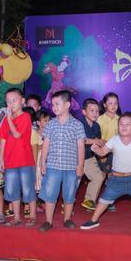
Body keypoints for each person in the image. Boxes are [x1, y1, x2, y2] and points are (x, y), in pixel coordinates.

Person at [81, 112, 131, 231]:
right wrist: (96, 149)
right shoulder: (114, 140)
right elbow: (103, 152)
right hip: (116, 178)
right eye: (121, 124)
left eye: (127, 124)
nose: (124, 126)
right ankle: (93, 220)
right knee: (104, 200)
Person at [39, 90, 85, 232]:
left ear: (67, 105)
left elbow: (80, 147)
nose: (54, 107)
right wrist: (42, 162)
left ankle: (67, 219)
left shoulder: (77, 125)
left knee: (69, 193)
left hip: (71, 167)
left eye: (57, 104)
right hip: (53, 166)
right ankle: (48, 221)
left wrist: (80, 165)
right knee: (50, 193)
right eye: (52, 105)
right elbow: (46, 144)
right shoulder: (51, 124)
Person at [0, 88, 37, 227]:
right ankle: (16, 217)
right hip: (10, 161)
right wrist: (1, 159)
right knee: (11, 189)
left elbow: (17, 134)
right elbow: (3, 139)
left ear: (22, 101)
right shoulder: (6, 120)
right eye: (8, 101)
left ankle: (32, 215)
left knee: (28, 188)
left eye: (14, 100)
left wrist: (9, 119)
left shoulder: (25, 117)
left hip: (25, 160)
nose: (11, 104)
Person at [80, 98, 105, 211]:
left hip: (90, 157)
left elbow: (97, 141)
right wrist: (96, 141)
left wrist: (102, 146)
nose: (95, 113)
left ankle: (89, 200)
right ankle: (66, 205)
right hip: (76, 158)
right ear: (84, 112)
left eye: (97, 111)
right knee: (74, 182)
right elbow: (81, 140)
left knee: (99, 176)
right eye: (92, 110)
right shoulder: (79, 124)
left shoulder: (96, 126)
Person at [33, 110, 50, 202]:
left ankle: (45, 200)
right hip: (38, 158)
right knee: (38, 176)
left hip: (48, 158)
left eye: (49, 120)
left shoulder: (51, 133)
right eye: (45, 120)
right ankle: (37, 200)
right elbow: (33, 147)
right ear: (38, 122)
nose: (48, 122)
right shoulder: (35, 133)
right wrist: (42, 146)